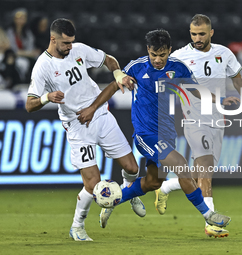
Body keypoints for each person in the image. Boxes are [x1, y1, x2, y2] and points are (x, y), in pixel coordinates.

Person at [77, 29, 237, 231]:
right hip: (145, 134)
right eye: (154, 55)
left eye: (162, 55)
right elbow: (113, 86)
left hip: (167, 134)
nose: (158, 60)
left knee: (154, 182)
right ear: (148, 50)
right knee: (181, 164)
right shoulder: (137, 67)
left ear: (170, 50)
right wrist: (92, 108)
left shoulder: (179, 68)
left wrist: (220, 100)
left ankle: (114, 199)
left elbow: (195, 90)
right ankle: (208, 215)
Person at [25, 18, 146, 242]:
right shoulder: (43, 66)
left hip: (100, 114)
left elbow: (108, 59)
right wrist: (47, 97)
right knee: (92, 184)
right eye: (65, 43)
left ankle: (124, 191)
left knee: (132, 168)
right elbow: (29, 104)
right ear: (53, 39)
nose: (70, 46)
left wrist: (117, 73)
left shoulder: (79, 50)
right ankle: (77, 226)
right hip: (77, 125)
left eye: (71, 42)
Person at [154, 14, 242, 238]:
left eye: (202, 33)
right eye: (193, 34)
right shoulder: (179, 57)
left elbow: (238, 79)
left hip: (217, 119)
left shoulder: (224, 53)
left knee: (202, 173)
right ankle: (211, 222)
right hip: (193, 119)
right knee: (206, 169)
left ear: (211, 33)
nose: (197, 38)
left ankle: (168, 186)